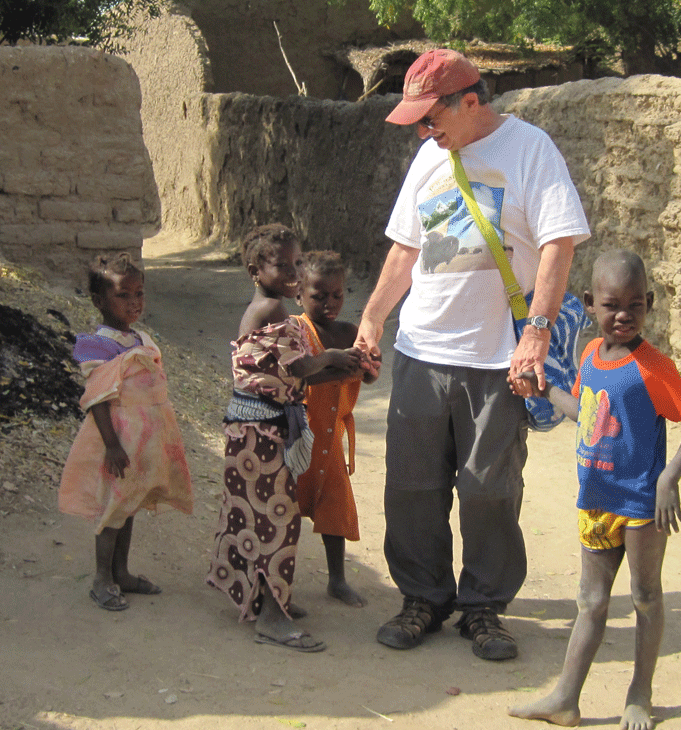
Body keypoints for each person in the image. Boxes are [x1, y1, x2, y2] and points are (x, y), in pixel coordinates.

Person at [354, 48, 590, 661]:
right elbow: (405, 249)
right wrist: (373, 320)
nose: (424, 133)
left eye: (431, 119)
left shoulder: (530, 149)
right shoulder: (430, 157)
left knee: (489, 489)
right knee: (412, 486)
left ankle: (483, 606)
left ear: (469, 101)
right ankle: (423, 599)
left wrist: (536, 333)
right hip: (421, 350)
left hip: (496, 357)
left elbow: (559, 243)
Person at [509, 249, 681, 729]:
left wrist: (668, 478)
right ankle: (565, 698)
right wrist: (544, 391)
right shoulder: (590, 356)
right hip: (596, 499)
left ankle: (639, 694)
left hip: (640, 504)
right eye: (611, 305)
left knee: (645, 596)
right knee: (591, 603)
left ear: (650, 304)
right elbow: (587, 413)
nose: (624, 315)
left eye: (635, 305)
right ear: (589, 303)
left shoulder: (654, 367)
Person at [205, 225, 362, 653]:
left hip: (252, 428)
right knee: (276, 523)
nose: (293, 272)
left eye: (297, 263)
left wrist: (341, 368)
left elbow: (288, 375)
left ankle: (266, 600)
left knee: (258, 517)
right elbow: (298, 369)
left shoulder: (265, 307)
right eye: (283, 265)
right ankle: (272, 618)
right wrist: (332, 357)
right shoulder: (273, 310)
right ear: (255, 271)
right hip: (261, 432)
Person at [59, 252, 194, 612]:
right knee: (113, 508)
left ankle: (122, 572)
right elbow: (98, 399)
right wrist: (112, 445)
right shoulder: (98, 345)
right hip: (118, 438)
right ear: (99, 301)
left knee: (129, 503)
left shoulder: (140, 338)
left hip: (143, 440)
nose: (134, 302)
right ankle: (102, 579)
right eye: (123, 295)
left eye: (139, 293)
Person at [291, 251, 380, 608]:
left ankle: (337, 580)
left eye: (337, 295)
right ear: (298, 295)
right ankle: (276, 578)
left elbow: (367, 376)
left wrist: (368, 367)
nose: (330, 303)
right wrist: (336, 365)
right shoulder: (295, 331)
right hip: (297, 439)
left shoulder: (348, 333)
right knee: (285, 509)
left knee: (334, 508)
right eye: (319, 296)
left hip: (330, 441)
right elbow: (297, 375)